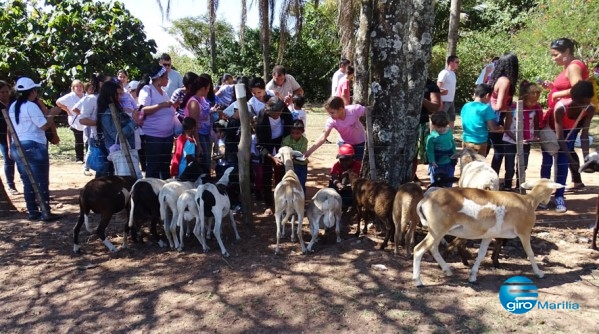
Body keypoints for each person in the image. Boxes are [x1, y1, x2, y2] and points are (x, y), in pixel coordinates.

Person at [8, 77, 62, 221]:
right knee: (41, 180)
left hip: (18, 145)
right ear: (31, 91)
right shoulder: (30, 106)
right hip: (34, 145)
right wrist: (52, 114)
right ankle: (45, 211)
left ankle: (32, 211)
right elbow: (43, 126)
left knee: (27, 180)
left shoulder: (13, 106)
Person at [540, 80, 594, 213]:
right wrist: (572, 159)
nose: (585, 105)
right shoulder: (560, 108)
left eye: (587, 101)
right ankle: (543, 196)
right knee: (547, 164)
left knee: (562, 165)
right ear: (574, 98)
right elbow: (559, 138)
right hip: (551, 134)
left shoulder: (589, 108)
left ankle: (559, 196)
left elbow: (584, 135)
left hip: (568, 133)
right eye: (582, 102)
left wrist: (586, 158)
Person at [543, 38, 590, 190]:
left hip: (568, 116)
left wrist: (556, 95)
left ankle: (570, 183)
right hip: (563, 114)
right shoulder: (569, 66)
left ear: (567, 52)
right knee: (566, 147)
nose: (553, 58)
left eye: (555, 55)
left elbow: (579, 90)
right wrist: (552, 88)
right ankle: (576, 180)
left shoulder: (574, 67)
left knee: (565, 146)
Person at [255, 97, 294, 207]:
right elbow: (259, 143)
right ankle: (268, 204)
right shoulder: (262, 116)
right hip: (266, 144)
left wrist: (285, 147)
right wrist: (271, 157)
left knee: (283, 172)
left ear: (282, 110)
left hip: (281, 142)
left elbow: (289, 130)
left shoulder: (286, 114)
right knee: (266, 174)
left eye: (277, 114)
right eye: (272, 114)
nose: (275, 116)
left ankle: (282, 200)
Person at [501, 81, 541, 190]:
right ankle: (507, 186)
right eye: (531, 101)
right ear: (525, 97)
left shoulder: (536, 109)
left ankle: (520, 186)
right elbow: (506, 128)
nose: (533, 103)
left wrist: (536, 135)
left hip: (526, 141)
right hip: (510, 141)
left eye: (535, 101)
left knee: (523, 166)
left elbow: (536, 125)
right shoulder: (513, 109)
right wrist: (518, 140)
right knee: (509, 167)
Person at [138, 65, 175, 179]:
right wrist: (162, 105)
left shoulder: (164, 92)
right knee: (153, 165)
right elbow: (142, 109)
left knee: (165, 165)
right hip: (153, 135)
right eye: (166, 77)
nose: (168, 80)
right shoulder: (147, 90)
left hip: (167, 135)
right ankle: (150, 191)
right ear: (159, 78)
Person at [97, 80, 140, 178]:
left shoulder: (117, 109)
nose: (121, 97)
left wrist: (132, 118)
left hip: (126, 151)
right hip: (119, 153)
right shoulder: (107, 113)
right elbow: (117, 135)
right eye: (118, 94)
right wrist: (134, 122)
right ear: (110, 95)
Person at [304, 96, 367, 163]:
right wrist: (308, 152)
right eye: (329, 113)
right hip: (344, 144)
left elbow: (370, 113)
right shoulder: (331, 121)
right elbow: (323, 137)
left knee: (359, 165)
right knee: (344, 165)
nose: (331, 115)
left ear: (340, 109)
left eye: (332, 113)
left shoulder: (354, 110)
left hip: (360, 143)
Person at [489, 53, 519, 175]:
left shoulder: (496, 78)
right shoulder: (505, 81)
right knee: (499, 151)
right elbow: (499, 106)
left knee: (490, 149)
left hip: (491, 114)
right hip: (496, 116)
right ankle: (493, 177)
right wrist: (512, 108)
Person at [76, 73, 107, 176]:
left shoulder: (107, 98)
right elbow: (82, 120)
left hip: (111, 137)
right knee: (102, 168)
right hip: (98, 137)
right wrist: (100, 123)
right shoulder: (91, 99)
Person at [460, 83, 503, 156]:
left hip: (466, 141)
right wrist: (501, 128)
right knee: (478, 166)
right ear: (487, 95)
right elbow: (492, 128)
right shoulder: (486, 108)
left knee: (467, 165)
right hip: (480, 142)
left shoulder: (466, 106)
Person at [180, 75, 211, 174]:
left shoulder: (202, 99)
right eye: (208, 88)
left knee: (208, 158)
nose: (209, 90)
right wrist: (198, 144)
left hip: (206, 132)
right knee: (204, 159)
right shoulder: (194, 103)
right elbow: (194, 125)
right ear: (203, 88)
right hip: (199, 134)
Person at [414, 78, 441, 182]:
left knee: (416, 154)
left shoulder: (430, 85)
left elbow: (435, 107)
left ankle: (413, 176)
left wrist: (421, 98)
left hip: (421, 123)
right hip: (400, 124)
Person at [56, 79, 86, 163]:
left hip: (86, 120)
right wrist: (67, 110)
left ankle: (88, 158)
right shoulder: (70, 96)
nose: (79, 88)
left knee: (87, 139)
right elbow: (58, 102)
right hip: (75, 120)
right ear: (73, 88)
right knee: (78, 139)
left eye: (80, 86)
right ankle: (79, 158)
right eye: (77, 86)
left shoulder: (85, 95)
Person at [426, 113, 456, 188]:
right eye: (439, 127)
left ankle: (448, 194)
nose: (442, 129)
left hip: (449, 161)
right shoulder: (432, 138)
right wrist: (432, 161)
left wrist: (455, 155)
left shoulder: (449, 132)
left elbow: (452, 143)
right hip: (437, 163)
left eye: (444, 127)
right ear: (433, 125)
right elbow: (429, 150)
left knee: (449, 180)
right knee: (436, 182)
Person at [329, 143, 361, 210]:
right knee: (331, 182)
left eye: (346, 160)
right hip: (339, 188)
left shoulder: (358, 166)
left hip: (351, 189)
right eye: (341, 160)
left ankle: (348, 205)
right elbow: (334, 176)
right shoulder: (336, 165)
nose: (344, 162)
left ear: (352, 158)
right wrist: (338, 184)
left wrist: (348, 186)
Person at [0, 80, 18, 194]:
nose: (5, 94)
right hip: (2, 136)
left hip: (18, 133)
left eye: (7, 91)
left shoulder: (14, 102)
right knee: (8, 159)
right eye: (2, 92)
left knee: (21, 159)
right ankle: (11, 185)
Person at [281, 120, 308, 194]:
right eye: (293, 133)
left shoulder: (304, 141)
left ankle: (302, 199)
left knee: (301, 183)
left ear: (302, 132)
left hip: (302, 165)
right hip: (290, 165)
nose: (295, 135)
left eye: (297, 133)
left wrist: (292, 155)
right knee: (289, 183)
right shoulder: (286, 140)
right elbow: (283, 149)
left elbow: (302, 152)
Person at [437, 55, 459, 129]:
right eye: (457, 62)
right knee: (439, 120)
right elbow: (438, 87)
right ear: (451, 62)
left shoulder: (453, 73)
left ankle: (450, 137)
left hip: (451, 101)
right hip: (444, 101)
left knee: (451, 119)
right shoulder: (444, 73)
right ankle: (435, 136)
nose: (458, 64)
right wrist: (439, 100)